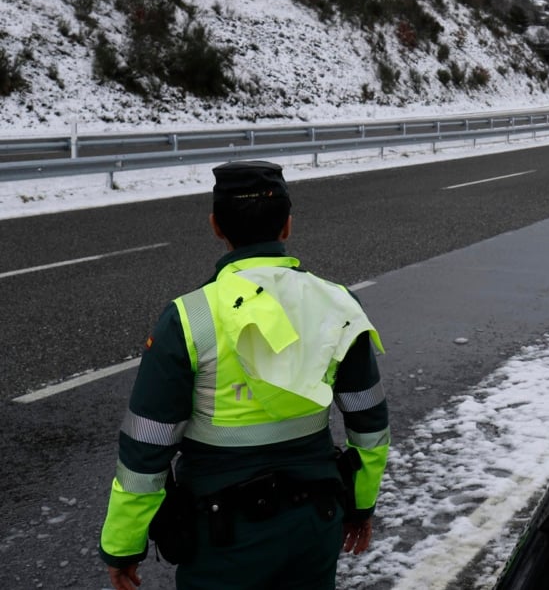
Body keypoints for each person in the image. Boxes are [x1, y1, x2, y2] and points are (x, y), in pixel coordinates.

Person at [99, 160, 390, 590]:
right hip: (316, 522)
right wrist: (361, 508)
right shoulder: (337, 304)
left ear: (216, 226)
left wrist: (123, 546)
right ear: (287, 225)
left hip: (223, 535)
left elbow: (147, 447)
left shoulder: (190, 316)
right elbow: (369, 426)